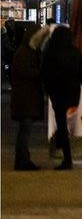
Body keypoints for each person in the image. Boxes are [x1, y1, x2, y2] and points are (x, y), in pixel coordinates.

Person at [41, 25, 82, 170]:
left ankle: (66, 157)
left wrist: (48, 90)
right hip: (73, 93)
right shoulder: (75, 53)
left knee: (61, 123)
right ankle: (64, 147)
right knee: (70, 122)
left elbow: (45, 73)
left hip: (57, 93)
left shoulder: (51, 53)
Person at [10, 24, 46, 171]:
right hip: (25, 99)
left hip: (25, 98)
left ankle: (23, 160)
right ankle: (23, 161)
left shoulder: (25, 51)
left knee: (24, 131)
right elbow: (26, 72)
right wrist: (40, 72)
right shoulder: (25, 52)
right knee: (25, 131)